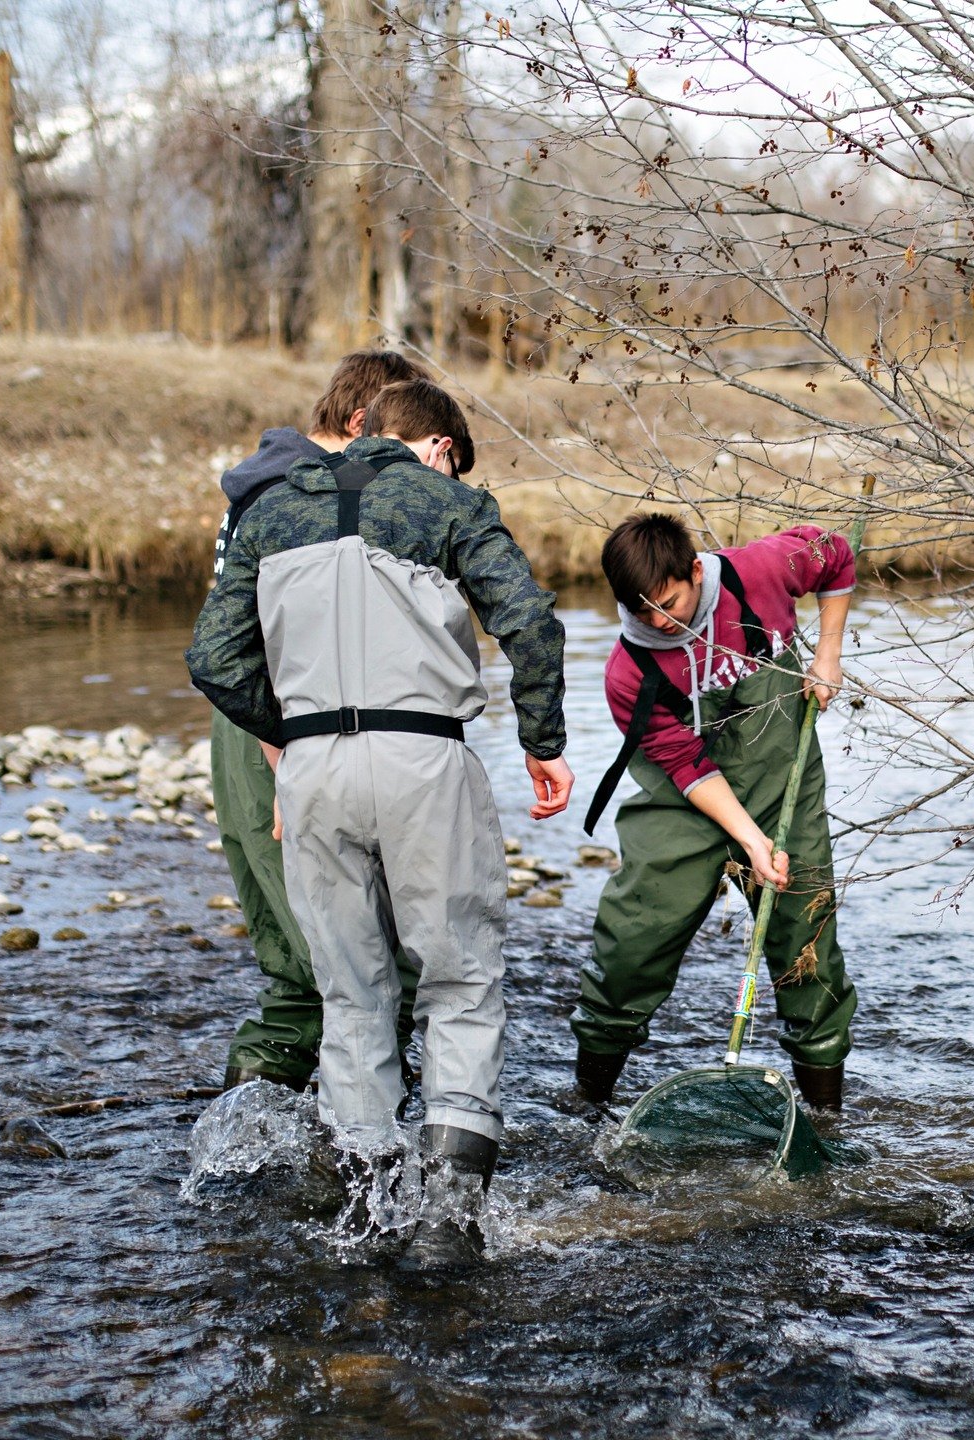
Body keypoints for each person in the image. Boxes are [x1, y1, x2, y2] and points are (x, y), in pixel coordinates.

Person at [187, 378, 573, 1268]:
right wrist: (543, 742)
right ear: (438, 447)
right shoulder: (448, 503)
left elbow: (212, 657)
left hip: (312, 773)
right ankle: (445, 1225)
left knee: (350, 992)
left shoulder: (269, 512)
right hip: (422, 759)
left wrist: (292, 733)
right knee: (459, 981)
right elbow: (529, 621)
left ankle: (365, 1214)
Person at [568, 513, 857, 1113]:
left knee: (807, 945)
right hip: (683, 800)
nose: (658, 622)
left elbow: (837, 555)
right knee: (631, 942)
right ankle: (587, 1105)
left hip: (783, 781)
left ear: (695, 572)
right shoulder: (628, 672)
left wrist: (827, 655)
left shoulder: (764, 570)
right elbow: (685, 764)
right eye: (641, 610)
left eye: (669, 603)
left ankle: (826, 1121)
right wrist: (750, 841)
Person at [208, 351, 425, 1094]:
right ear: (362, 425)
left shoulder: (274, 484)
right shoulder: (299, 496)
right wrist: (287, 770)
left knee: (309, 969)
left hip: (257, 722)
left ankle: (263, 1141)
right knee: (347, 961)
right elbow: (265, 645)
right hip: (280, 729)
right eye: (401, 441)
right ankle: (347, 1143)